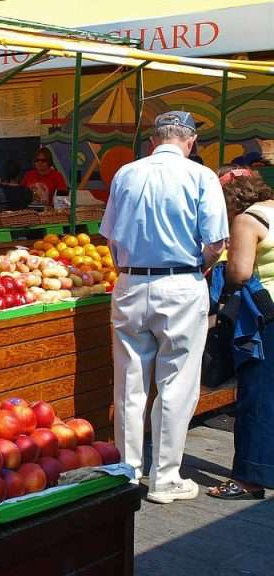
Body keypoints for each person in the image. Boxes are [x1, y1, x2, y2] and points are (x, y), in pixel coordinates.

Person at [101, 111, 228, 504]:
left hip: (131, 281)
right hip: (180, 282)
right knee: (177, 383)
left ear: (154, 140)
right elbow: (215, 242)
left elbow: (109, 237)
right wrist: (200, 267)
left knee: (129, 385)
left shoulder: (127, 173)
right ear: (189, 141)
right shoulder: (201, 176)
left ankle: (128, 469)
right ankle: (166, 477)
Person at [207, 169, 274, 500]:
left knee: (256, 398)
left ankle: (248, 478)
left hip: (264, 317)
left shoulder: (247, 221)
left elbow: (240, 272)